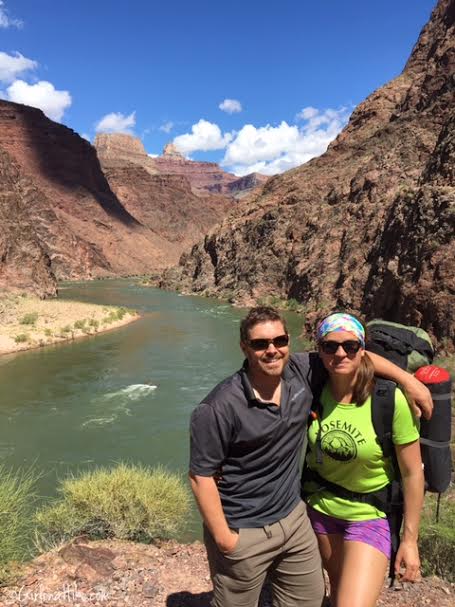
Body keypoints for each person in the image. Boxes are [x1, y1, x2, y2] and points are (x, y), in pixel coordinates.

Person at [189, 307, 431, 607]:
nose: (272, 350)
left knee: (312, 600)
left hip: (301, 521)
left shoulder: (302, 373)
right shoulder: (220, 406)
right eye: (260, 343)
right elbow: (201, 476)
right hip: (255, 525)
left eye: (279, 340)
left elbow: (412, 472)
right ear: (244, 347)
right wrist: (225, 539)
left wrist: (408, 380)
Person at [303, 313, 424, 607]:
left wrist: (410, 541)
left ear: (362, 348)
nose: (340, 353)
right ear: (319, 350)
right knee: (337, 594)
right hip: (320, 511)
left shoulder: (389, 399)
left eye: (350, 345)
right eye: (330, 346)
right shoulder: (311, 387)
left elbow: (412, 474)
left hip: (369, 516)